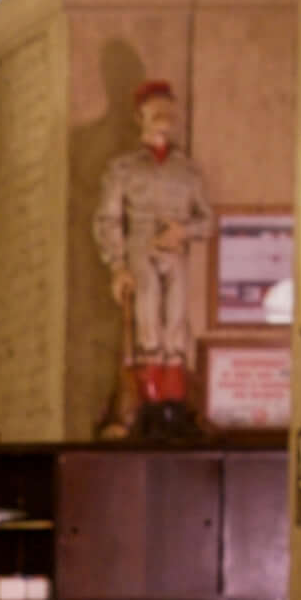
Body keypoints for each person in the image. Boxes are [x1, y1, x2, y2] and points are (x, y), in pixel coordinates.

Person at [92, 78, 216, 440]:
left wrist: (184, 231)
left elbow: (208, 221)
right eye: (155, 108)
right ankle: (143, 402)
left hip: (175, 249)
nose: (164, 115)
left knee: (175, 322)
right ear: (139, 115)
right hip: (140, 244)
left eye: (169, 108)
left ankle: (173, 402)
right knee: (146, 318)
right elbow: (109, 219)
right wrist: (117, 265)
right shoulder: (124, 169)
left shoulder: (189, 171)